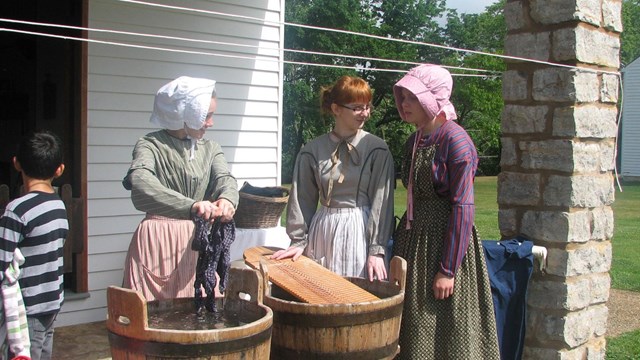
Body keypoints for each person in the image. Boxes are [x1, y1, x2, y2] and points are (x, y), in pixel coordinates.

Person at [391, 64, 500, 359]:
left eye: (411, 97)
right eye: (402, 97)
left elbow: (463, 208)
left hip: (444, 243)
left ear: (432, 98)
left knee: (446, 328)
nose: (403, 104)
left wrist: (447, 269)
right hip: (414, 243)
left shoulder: (456, 140)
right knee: (413, 325)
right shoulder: (415, 140)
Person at [122, 76, 239, 301]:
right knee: (155, 317)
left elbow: (226, 178)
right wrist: (192, 206)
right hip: (158, 240)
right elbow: (140, 179)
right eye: (206, 116)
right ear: (187, 113)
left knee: (199, 312)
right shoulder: (150, 145)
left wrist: (227, 199)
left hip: (196, 241)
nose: (211, 123)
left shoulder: (211, 148)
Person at [273, 75, 395, 281]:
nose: (364, 113)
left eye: (367, 107)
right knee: (322, 293)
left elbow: (382, 203)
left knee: (357, 296)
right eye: (357, 107)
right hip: (324, 230)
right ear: (336, 109)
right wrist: (298, 242)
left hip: (360, 230)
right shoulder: (312, 151)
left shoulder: (376, 149)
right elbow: (301, 200)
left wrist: (377, 250)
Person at [0, 131, 68, 360]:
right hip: (52, 300)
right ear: (59, 169)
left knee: (23, 354)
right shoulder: (58, 206)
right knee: (42, 351)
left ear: (16, 163)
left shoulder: (16, 210)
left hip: (26, 306)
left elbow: (2, 260)